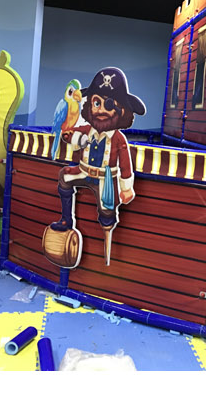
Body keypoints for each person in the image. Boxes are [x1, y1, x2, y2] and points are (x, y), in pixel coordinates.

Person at [43, 69, 146, 271]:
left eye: (109, 105)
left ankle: (107, 244)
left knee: (107, 210)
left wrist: (126, 188)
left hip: (105, 180)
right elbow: (68, 135)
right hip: (83, 171)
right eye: (96, 103)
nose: (101, 110)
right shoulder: (86, 130)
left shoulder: (118, 139)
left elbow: (125, 166)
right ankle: (66, 219)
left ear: (122, 110)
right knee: (64, 176)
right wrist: (76, 138)